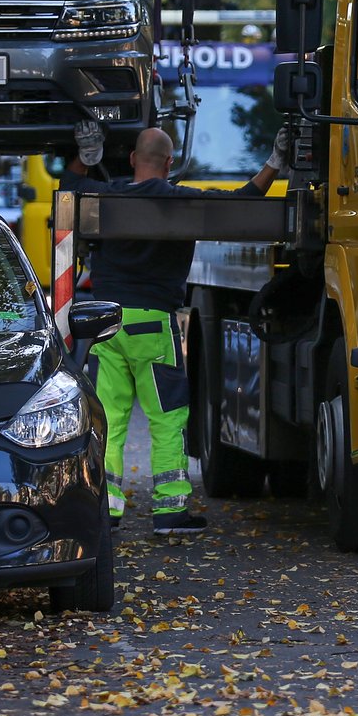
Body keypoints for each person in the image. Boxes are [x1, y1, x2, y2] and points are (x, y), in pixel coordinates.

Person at [59, 122, 290, 534]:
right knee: (166, 418)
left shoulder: (107, 196)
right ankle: (169, 513)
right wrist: (274, 162)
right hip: (152, 325)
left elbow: (70, 185)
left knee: (108, 419)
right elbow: (242, 205)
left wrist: (87, 156)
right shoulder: (183, 202)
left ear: (132, 159)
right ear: (169, 163)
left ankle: (105, 513)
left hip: (105, 323)